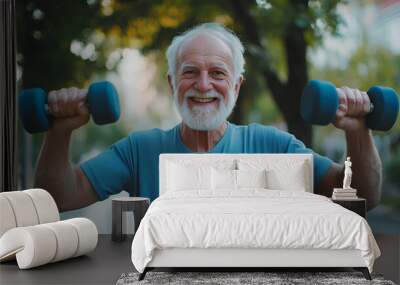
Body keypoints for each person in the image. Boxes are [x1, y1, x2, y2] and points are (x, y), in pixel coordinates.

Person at [34, 23, 382, 212]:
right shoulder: (141, 149)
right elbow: (60, 198)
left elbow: (361, 195)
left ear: (236, 85)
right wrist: (60, 131)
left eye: (217, 72)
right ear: (173, 83)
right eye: (190, 72)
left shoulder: (272, 145)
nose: (203, 85)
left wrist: (358, 131)